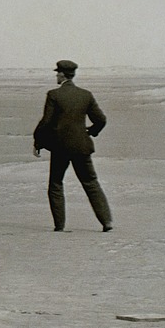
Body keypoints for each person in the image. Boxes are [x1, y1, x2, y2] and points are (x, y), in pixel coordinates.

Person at [33, 59, 113, 232]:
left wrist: (38, 141)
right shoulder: (85, 95)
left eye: (57, 73)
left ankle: (59, 226)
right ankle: (107, 222)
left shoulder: (54, 95)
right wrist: (91, 132)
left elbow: (46, 122)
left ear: (62, 74)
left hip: (60, 147)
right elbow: (101, 119)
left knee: (56, 184)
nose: (56, 75)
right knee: (91, 183)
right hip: (82, 146)